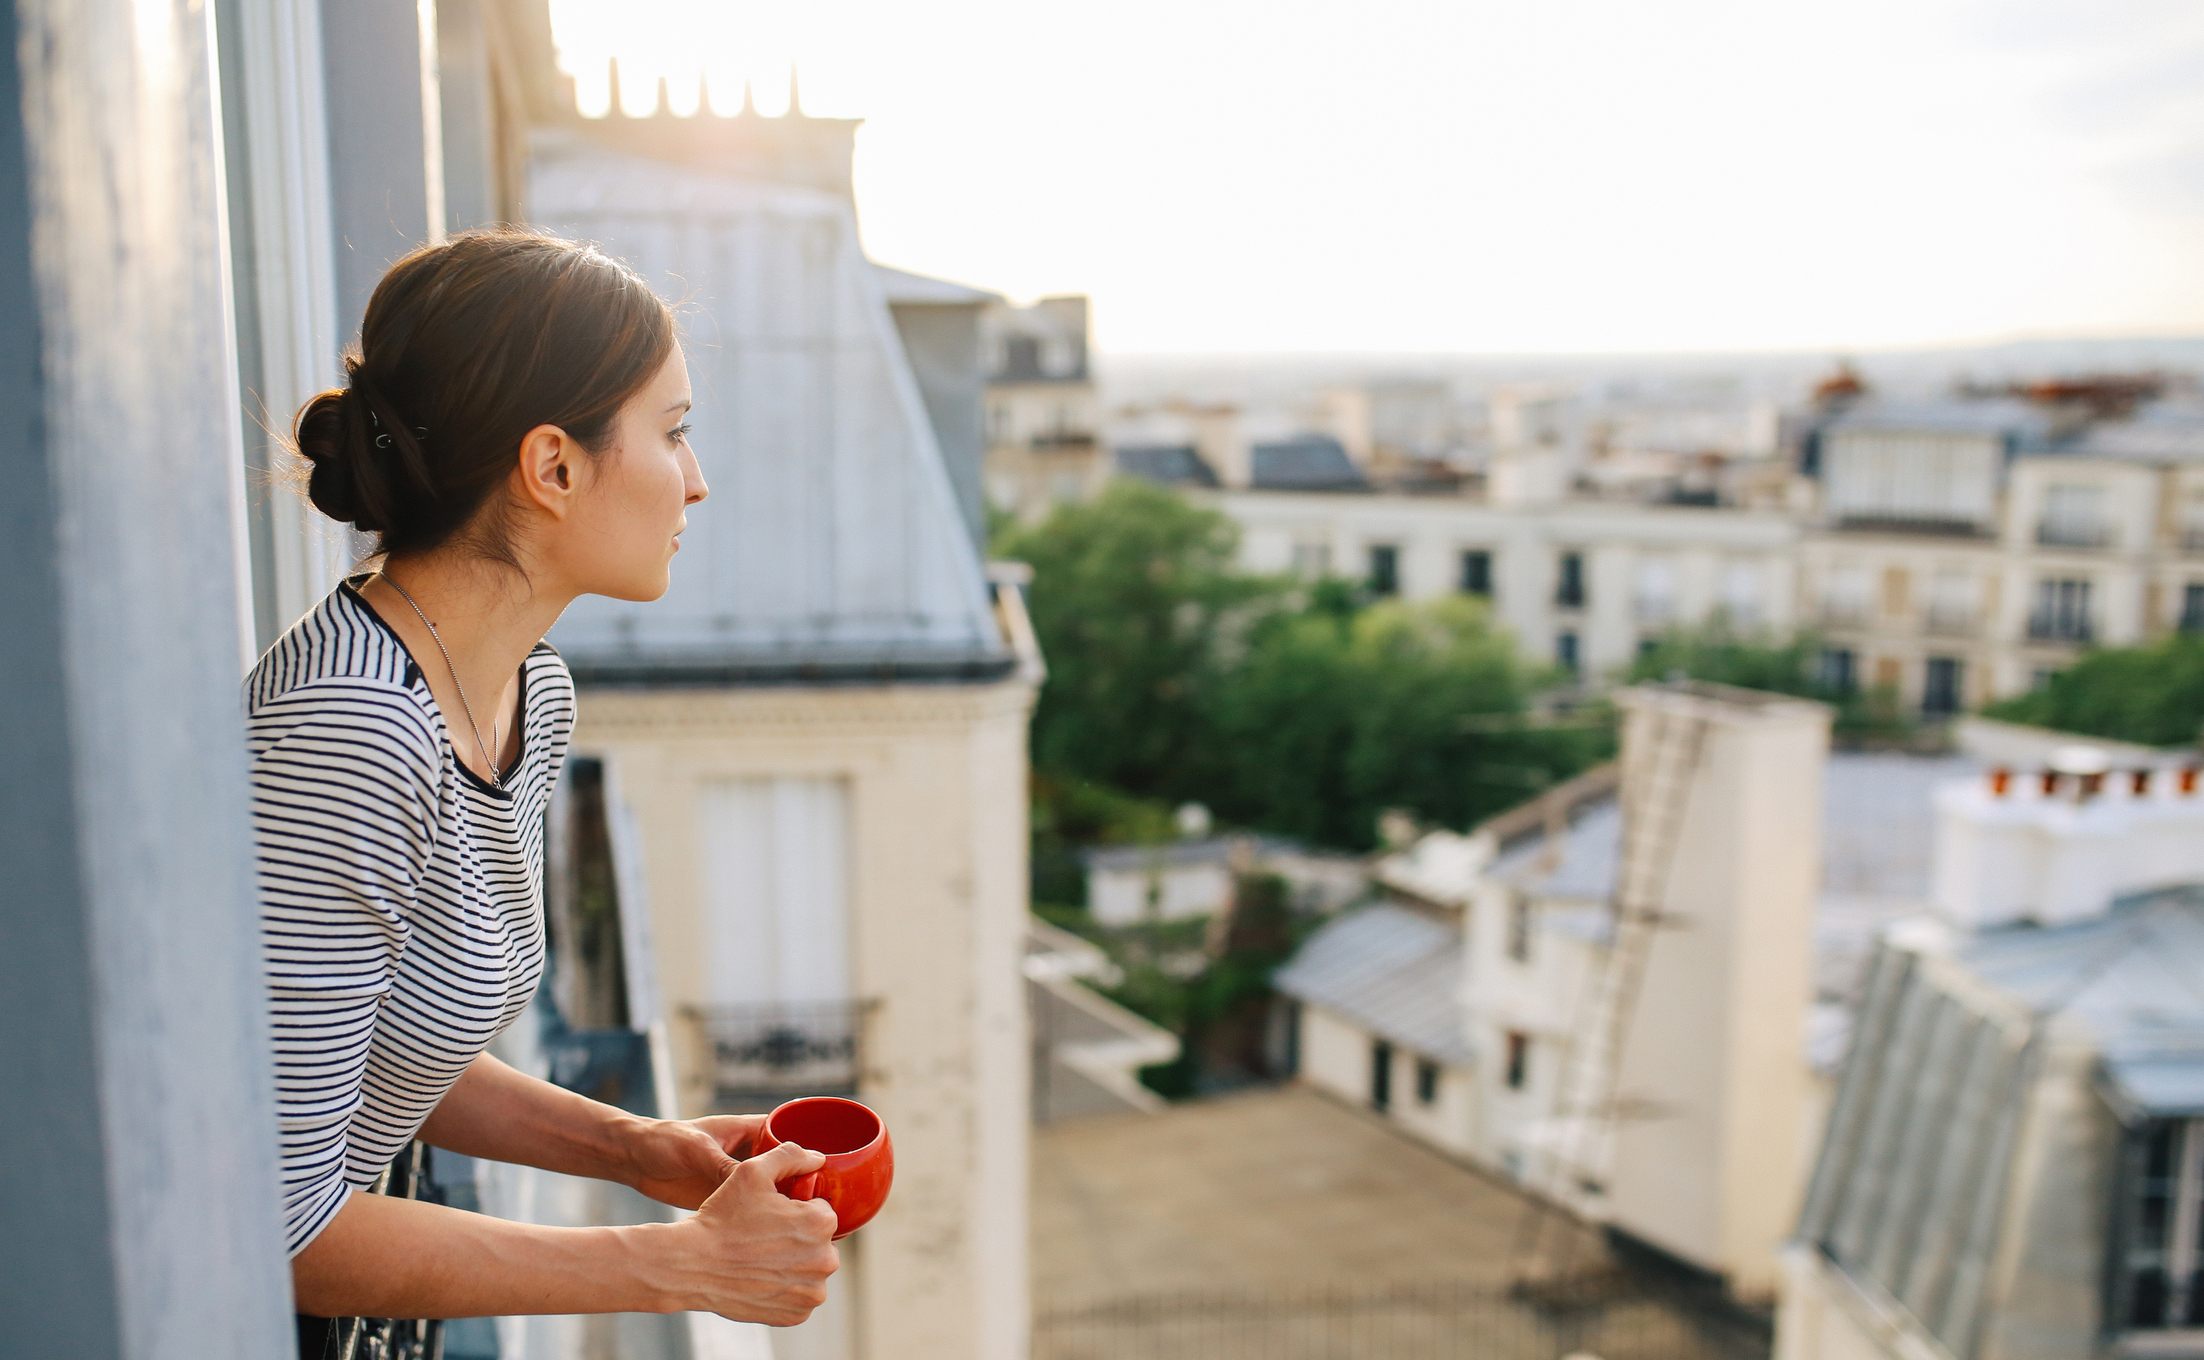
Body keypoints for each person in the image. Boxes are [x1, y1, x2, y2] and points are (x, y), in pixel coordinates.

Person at [250, 229, 838, 1352]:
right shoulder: (350, 736)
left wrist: (634, 1148)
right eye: (672, 432)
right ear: (552, 466)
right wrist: (683, 1263)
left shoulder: (527, 690)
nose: (698, 480)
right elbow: (284, 1228)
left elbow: (373, 1042)